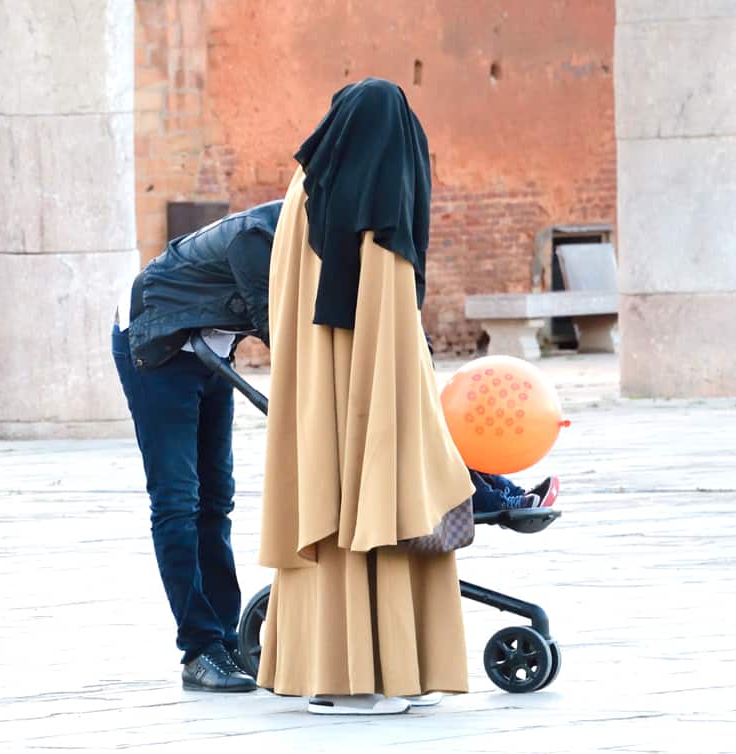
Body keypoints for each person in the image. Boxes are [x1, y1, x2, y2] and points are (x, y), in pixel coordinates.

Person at [255, 78, 476, 715]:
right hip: (371, 388)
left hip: (315, 395)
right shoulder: (383, 206)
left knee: (331, 504)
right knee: (386, 504)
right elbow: (393, 325)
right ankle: (367, 680)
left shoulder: (303, 189)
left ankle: (355, 673)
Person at [111, 201, 283, 692]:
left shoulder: (316, 236)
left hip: (209, 350)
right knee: (178, 498)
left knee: (216, 499)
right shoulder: (262, 238)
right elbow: (284, 333)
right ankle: (201, 648)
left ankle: (226, 639)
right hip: (156, 343)